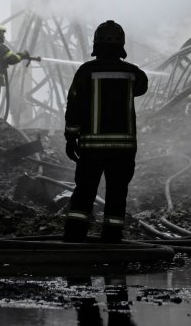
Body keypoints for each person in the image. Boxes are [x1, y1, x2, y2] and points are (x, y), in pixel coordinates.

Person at [62, 20, 148, 243]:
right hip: (123, 149)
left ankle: (74, 238)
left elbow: (74, 104)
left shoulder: (85, 71)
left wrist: (71, 137)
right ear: (121, 44)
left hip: (92, 148)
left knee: (84, 193)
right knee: (117, 195)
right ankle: (112, 239)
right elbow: (142, 88)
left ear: (96, 44)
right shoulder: (133, 73)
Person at [0, 25, 39, 116]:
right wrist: (22, 55)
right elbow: (12, 59)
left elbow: (4, 58)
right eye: (2, 34)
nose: (4, 36)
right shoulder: (0, 47)